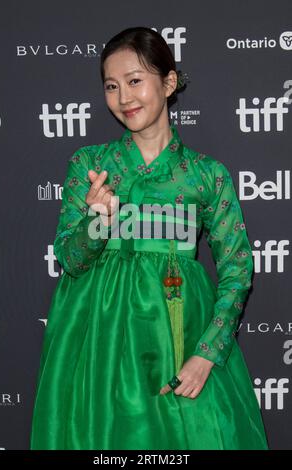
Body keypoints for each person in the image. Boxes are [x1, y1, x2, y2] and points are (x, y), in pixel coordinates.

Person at [30, 26, 269, 450]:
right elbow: (70, 259)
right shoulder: (90, 163)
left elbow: (237, 268)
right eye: (111, 86)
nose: (124, 99)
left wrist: (206, 354)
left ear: (169, 81)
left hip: (180, 334)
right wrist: (97, 220)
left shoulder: (206, 174)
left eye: (135, 81)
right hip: (98, 345)